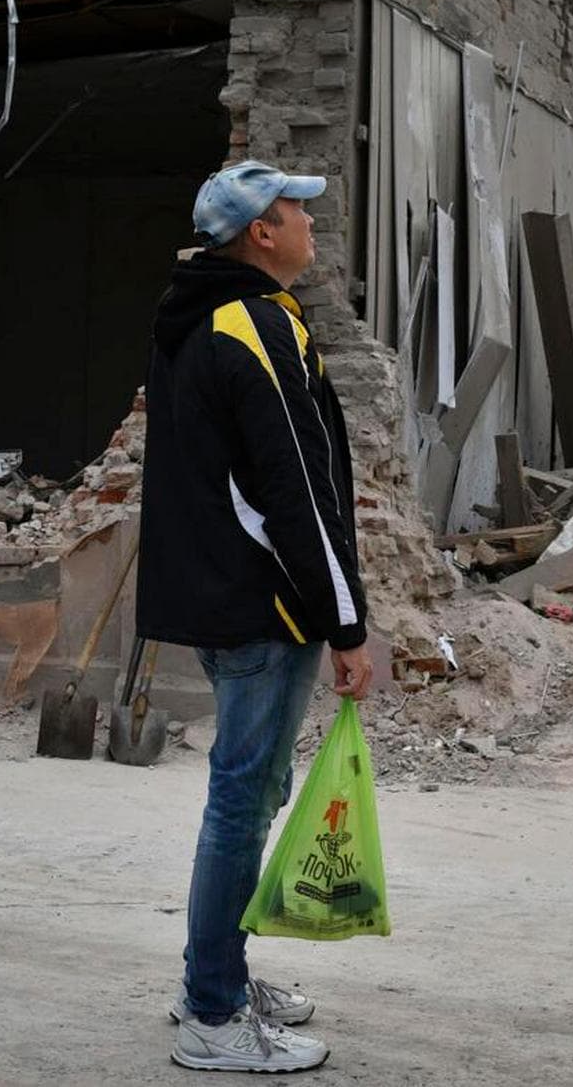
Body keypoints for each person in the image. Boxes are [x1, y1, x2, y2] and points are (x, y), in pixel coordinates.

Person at [138, 160, 375, 1074]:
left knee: (252, 794)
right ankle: (210, 1009)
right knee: (241, 802)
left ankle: (218, 971)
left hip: (233, 595)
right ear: (260, 234)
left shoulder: (198, 313)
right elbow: (294, 489)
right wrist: (346, 622)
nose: (312, 224)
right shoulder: (252, 322)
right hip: (263, 602)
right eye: (297, 212)